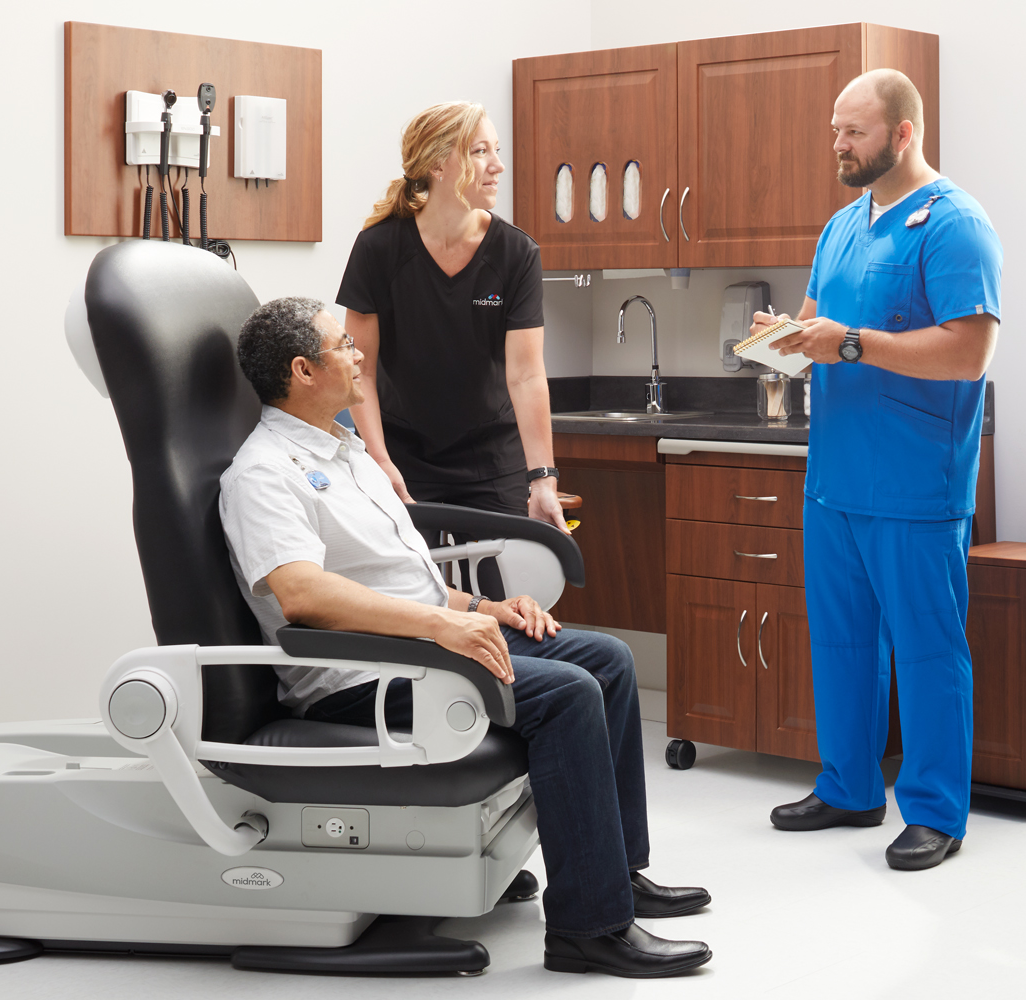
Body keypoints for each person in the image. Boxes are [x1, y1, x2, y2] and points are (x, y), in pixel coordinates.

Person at [218, 297, 712, 978]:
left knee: (608, 659)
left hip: (421, 645)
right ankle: (588, 929)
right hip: (360, 677)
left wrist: (485, 606)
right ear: (303, 369)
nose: (361, 356)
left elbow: (399, 582)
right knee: (567, 695)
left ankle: (616, 874)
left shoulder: (348, 449)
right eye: (344, 347)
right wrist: (444, 626)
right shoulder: (263, 473)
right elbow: (304, 596)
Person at [754, 69, 1003, 871]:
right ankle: (850, 786)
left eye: (854, 132)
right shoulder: (841, 226)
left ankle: (935, 812)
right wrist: (786, 337)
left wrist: (851, 342)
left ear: (903, 134)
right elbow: (824, 331)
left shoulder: (953, 224)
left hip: (913, 479)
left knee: (927, 647)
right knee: (842, 640)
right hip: (835, 478)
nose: (839, 144)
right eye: (835, 129)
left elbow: (970, 351)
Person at [338, 102, 566, 530]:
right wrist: (379, 462)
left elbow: (526, 376)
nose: (498, 166)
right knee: (412, 596)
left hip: (492, 462)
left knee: (504, 595)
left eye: (496, 150)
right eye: (481, 151)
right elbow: (359, 370)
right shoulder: (377, 249)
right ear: (438, 164)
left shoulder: (516, 254)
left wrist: (543, 480)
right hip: (402, 460)